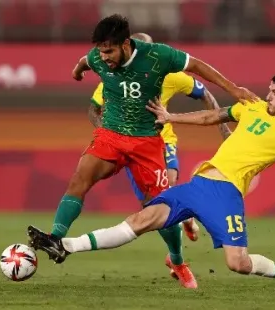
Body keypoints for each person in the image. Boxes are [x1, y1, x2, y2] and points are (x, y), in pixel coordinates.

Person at [27, 14, 257, 290]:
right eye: (101, 51)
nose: (105, 57)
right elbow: (85, 62)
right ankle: (56, 239)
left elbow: (195, 65)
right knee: (79, 179)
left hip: (146, 143)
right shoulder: (99, 57)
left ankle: (177, 260)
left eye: (109, 51)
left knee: (161, 209)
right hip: (110, 135)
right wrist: (77, 71)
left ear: (125, 45)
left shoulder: (159, 57)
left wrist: (234, 89)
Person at [89, 32, 232, 283]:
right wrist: (107, 133)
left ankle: (177, 258)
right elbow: (93, 109)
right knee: (158, 206)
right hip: (133, 146)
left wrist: (223, 128)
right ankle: (181, 234)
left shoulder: (172, 76)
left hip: (164, 143)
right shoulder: (115, 74)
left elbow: (205, 93)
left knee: (164, 199)